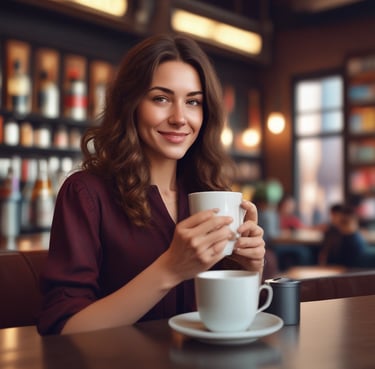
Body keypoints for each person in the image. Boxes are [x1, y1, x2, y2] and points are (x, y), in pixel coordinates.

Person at [37, 34, 266, 335]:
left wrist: (251, 269)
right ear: (130, 104)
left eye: (193, 102)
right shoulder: (87, 193)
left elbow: (234, 321)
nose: (180, 118)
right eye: (161, 98)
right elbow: (63, 329)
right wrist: (170, 268)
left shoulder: (208, 193)